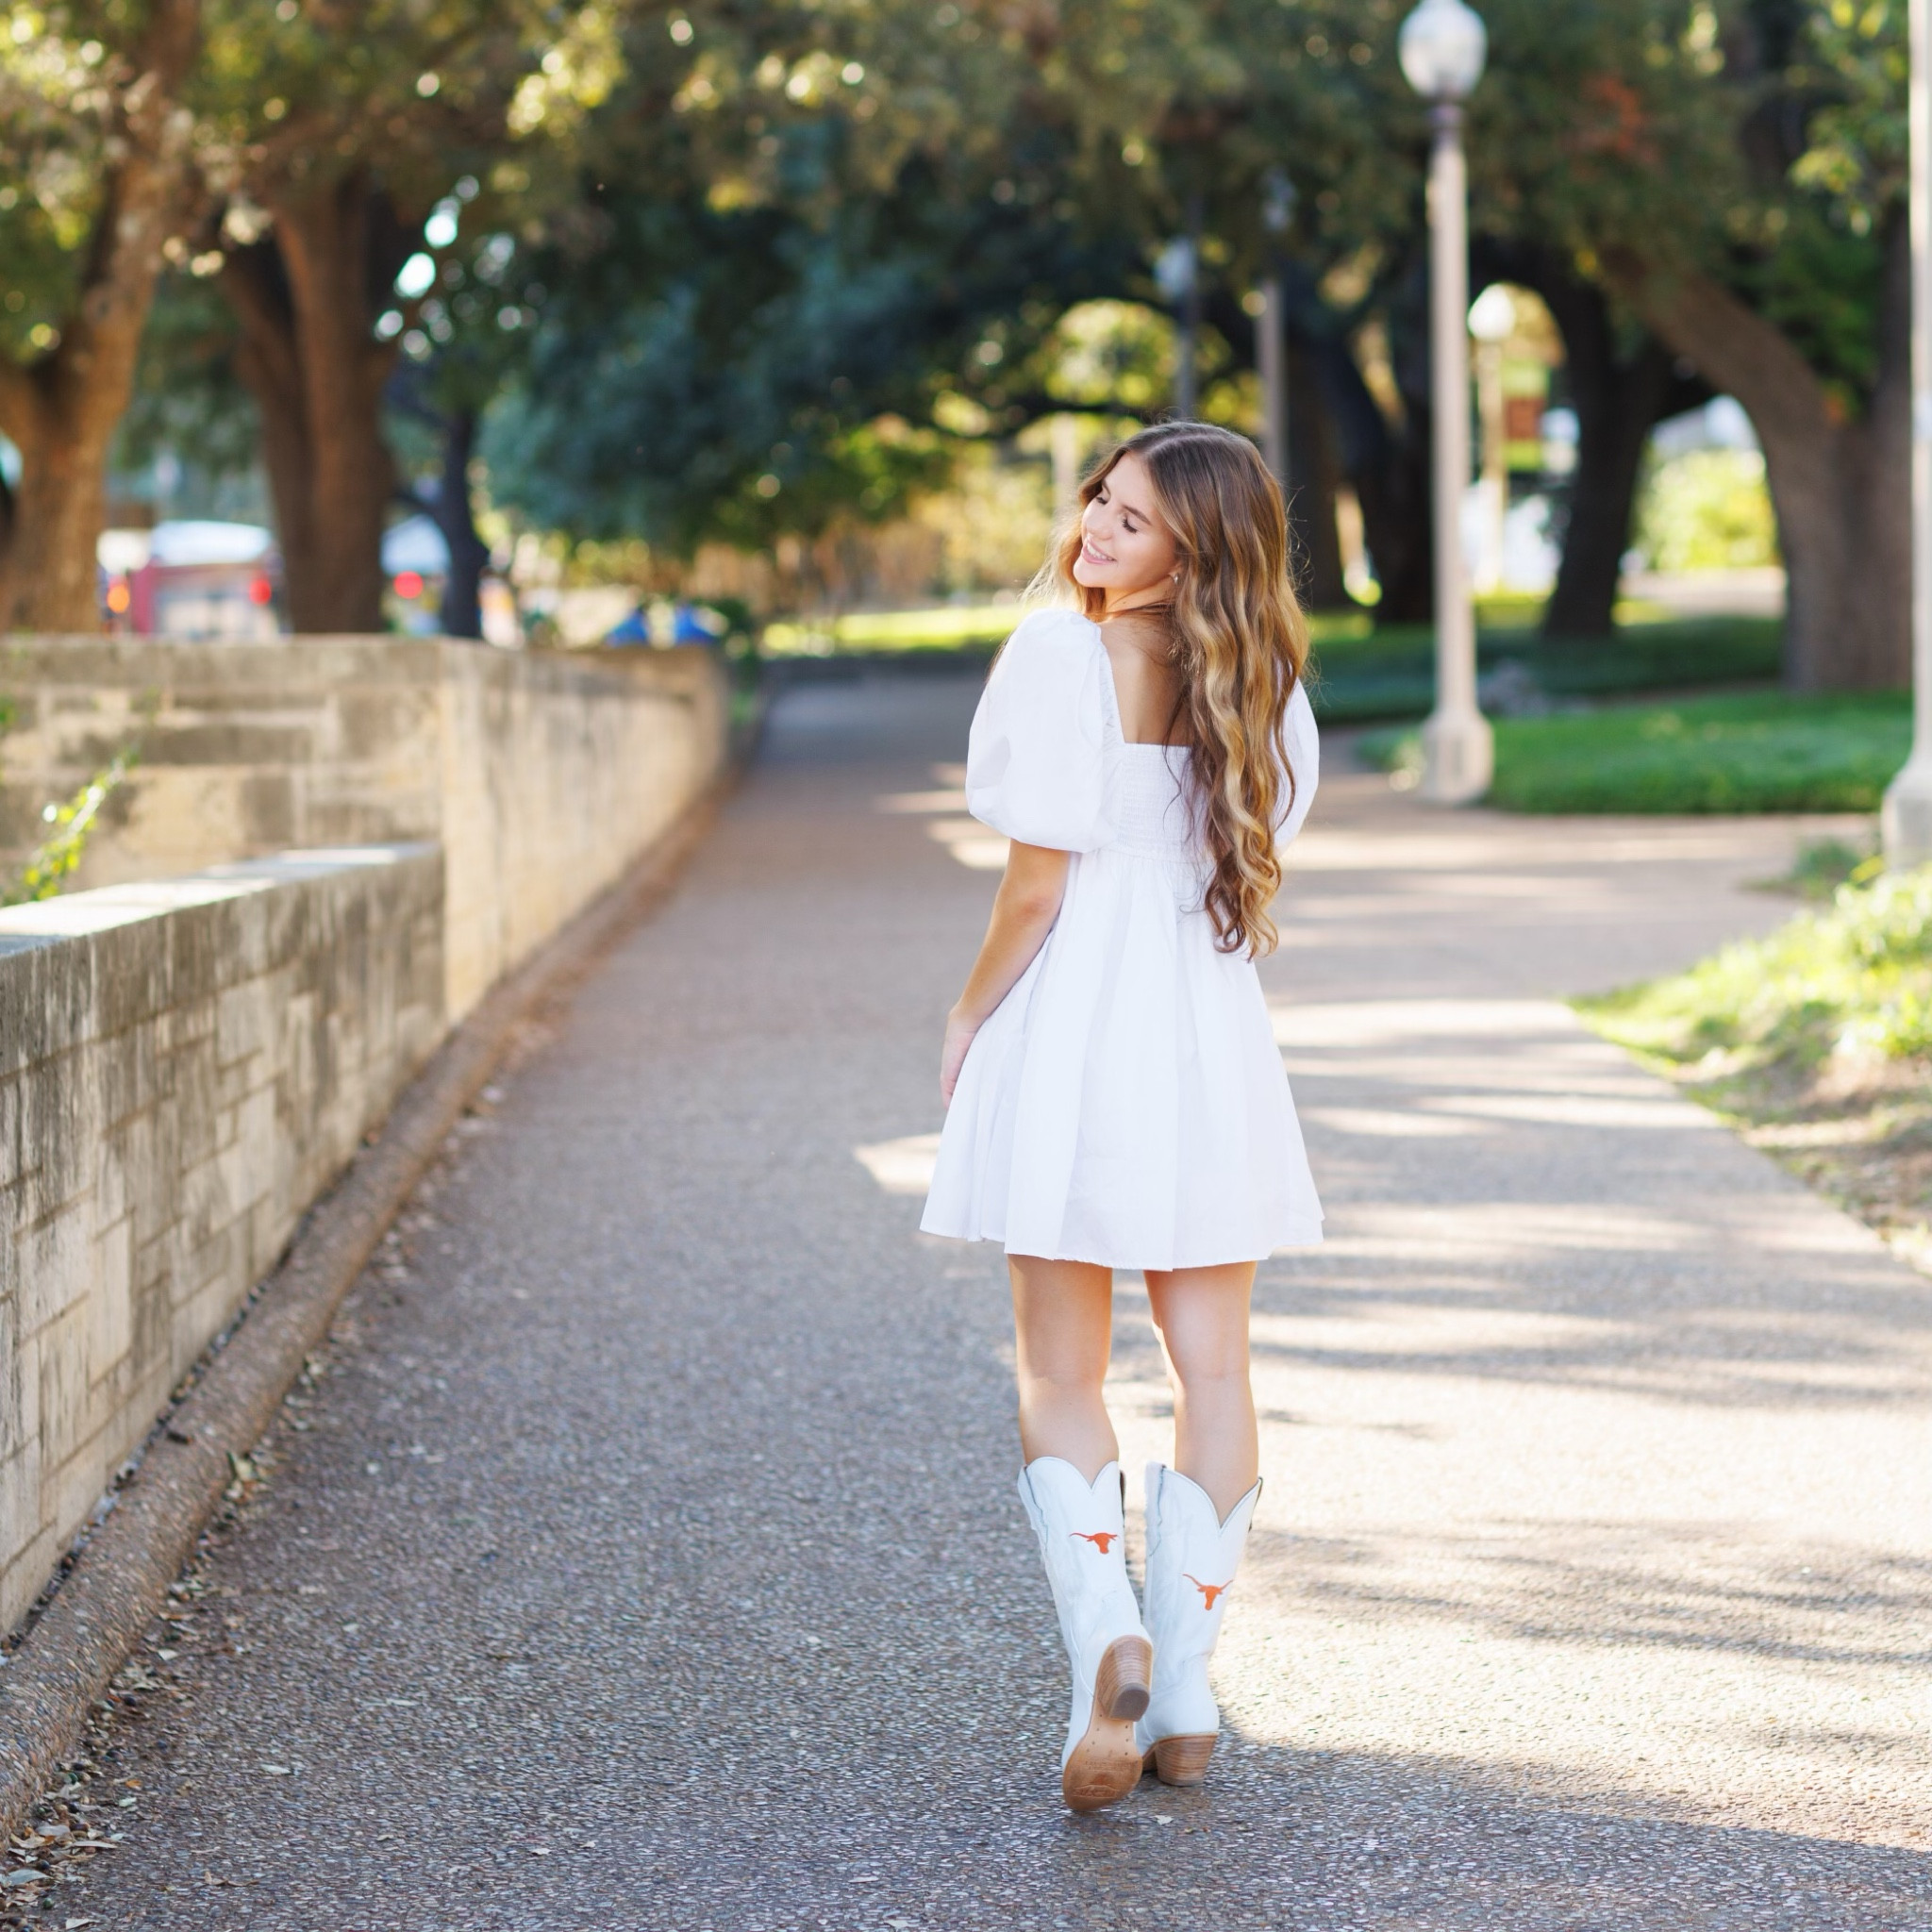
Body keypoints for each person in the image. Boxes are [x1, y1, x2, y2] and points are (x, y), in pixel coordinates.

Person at [921, 421, 1322, 1813]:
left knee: (1061, 1368)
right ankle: (1191, 1689)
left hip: (1077, 1018)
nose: (1096, 525)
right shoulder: (1262, 676)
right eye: (1103, 496)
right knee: (1214, 1365)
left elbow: (1035, 889)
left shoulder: (1054, 654)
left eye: (1135, 519)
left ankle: (1110, 1640)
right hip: (1205, 1028)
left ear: (1189, 550)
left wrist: (971, 1013)